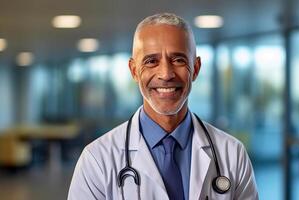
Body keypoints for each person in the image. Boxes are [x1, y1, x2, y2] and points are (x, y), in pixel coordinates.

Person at [68, 13, 258, 200]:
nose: (166, 74)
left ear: (196, 68)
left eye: (178, 60)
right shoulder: (97, 159)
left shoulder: (231, 153)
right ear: (134, 71)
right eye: (151, 61)